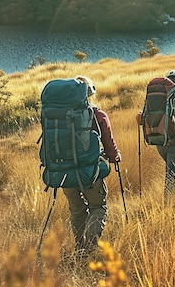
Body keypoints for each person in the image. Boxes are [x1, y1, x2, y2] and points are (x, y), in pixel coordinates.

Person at [62, 75, 121, 253]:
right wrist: (115, 157)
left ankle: (80, 249)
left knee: (77, 212)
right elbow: (109, 144)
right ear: (89, 94)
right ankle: (89, 248)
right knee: (98, 207)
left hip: (65, 173)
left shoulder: (59, 116)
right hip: (91, 171)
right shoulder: (98, 115)